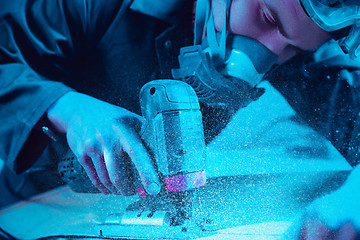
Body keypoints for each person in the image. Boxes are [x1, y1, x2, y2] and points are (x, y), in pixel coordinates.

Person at [0, 0, 359, 238]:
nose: (266, 56)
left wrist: (351, 205)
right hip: (32, 203)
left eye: (295, 47)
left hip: (153, 205)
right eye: (266, 17)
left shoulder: (293, 36)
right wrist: (66, 108)